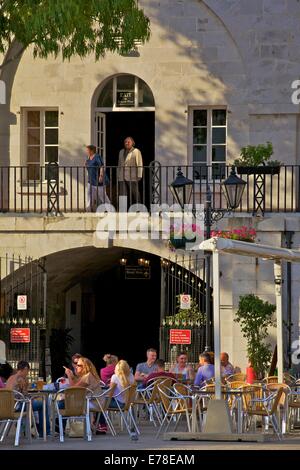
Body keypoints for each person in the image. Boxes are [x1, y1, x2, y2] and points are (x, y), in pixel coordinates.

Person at [6, 361, 51, 437]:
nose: (27, 373)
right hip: (18, 406)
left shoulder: (10, 378)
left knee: (36, 403)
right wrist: (33, 396)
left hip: (8, 407)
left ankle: (34, 429)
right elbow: (25, 396)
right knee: (43, 404)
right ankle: (44, 432)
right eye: (27, 371)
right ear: (25, 369)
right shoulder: (21, 379)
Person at [118, 137, 143, 206]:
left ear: (132, 143)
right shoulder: (121, 152)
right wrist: (118, 175)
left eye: (128, 142)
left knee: (135, 193)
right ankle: (123, 209)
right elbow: (119, 164)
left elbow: (139, 163)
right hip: (122, 176)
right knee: (122, 194)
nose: (126, 143)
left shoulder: (136, 151)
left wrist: (139, 175)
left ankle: (139, 208)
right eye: (125, 142)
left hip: (132, 176)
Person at [85, 144, 110, 212]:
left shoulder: (97, 157)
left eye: (87, 150)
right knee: (89, 196)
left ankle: (110, 209)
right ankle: (88, 210)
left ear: (92, 150)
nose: (86, 151)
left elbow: (101, 166)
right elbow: (88, 169)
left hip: (98, 180)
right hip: (91, 180)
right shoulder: (88, 159)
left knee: (103, 196)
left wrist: (101, 176)